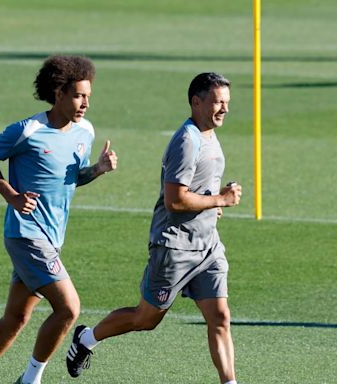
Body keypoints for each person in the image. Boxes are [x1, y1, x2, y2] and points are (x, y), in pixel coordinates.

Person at [66, 72, 242, 384]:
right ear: (196, 102)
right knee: (145, 319)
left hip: (208, 246)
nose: (224, 109)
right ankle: (86, 339)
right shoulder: (187, 142)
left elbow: (199, 190)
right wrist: (220, 200)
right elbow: (175, 200)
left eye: (227, 102)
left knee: (220, 317)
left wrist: (214, 205)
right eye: (218, 102)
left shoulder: (209, 134)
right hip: (174, 247)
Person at [0, 55, 117, 384]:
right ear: (58, 93)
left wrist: (97, 170)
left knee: (16, 317)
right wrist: (11, 195)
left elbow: (73, 178)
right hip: (26, 235)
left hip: (53, 237)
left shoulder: (85, 132)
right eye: (78, 95)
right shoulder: (28, 130)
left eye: (88, 96)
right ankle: (31, 379)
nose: (85, 103)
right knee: (69, 309)